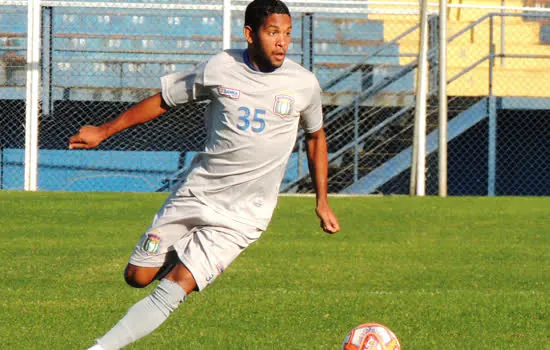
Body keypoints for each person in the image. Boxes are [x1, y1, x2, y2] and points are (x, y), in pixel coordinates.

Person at [69, 0, 340, 349]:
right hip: (197, 193)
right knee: (137, 277)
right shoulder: (219, 69)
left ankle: (102, 346)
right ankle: (186, 254)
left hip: (244, 215)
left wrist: (322, 202)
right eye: (273, 32)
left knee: (176, 286)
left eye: (287, 34)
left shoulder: (303, 84)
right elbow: (163, 100)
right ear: (250, 34)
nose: (282, 42)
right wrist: (104, 131)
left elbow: (316, 137)